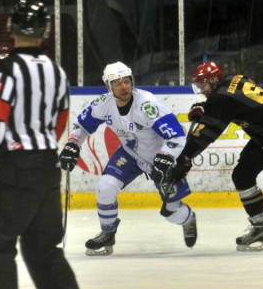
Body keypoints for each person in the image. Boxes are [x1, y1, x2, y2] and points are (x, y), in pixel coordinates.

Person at [0, 0, 88, 289]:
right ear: (45, 31)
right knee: (44, 249)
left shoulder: (6, 69)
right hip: (47, 167)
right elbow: (60, 122)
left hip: (15, 169)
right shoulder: (57, 72)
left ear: (12, 29)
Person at [165, 61, 263, 252]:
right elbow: (233, 103)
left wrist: (185, 157)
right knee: (242, 175)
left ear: (213, 81)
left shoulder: (220, 100)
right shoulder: (235, 78)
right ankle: (260, 228)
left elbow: (206, 134)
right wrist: (205, 107)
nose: (201, 90)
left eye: (203, 85)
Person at [59, 61, 198, 256]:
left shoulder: (147, 106)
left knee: (173, 213)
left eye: (127, 81)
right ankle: (108, 232)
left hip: (160, 160)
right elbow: (81, 126)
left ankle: (188, 218)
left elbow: (176, 135)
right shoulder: (104, 104)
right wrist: (72, 144)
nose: (124, 87)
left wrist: (165, 157)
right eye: (118, 83)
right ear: (109, 87)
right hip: (130, 154)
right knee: (105, 186)